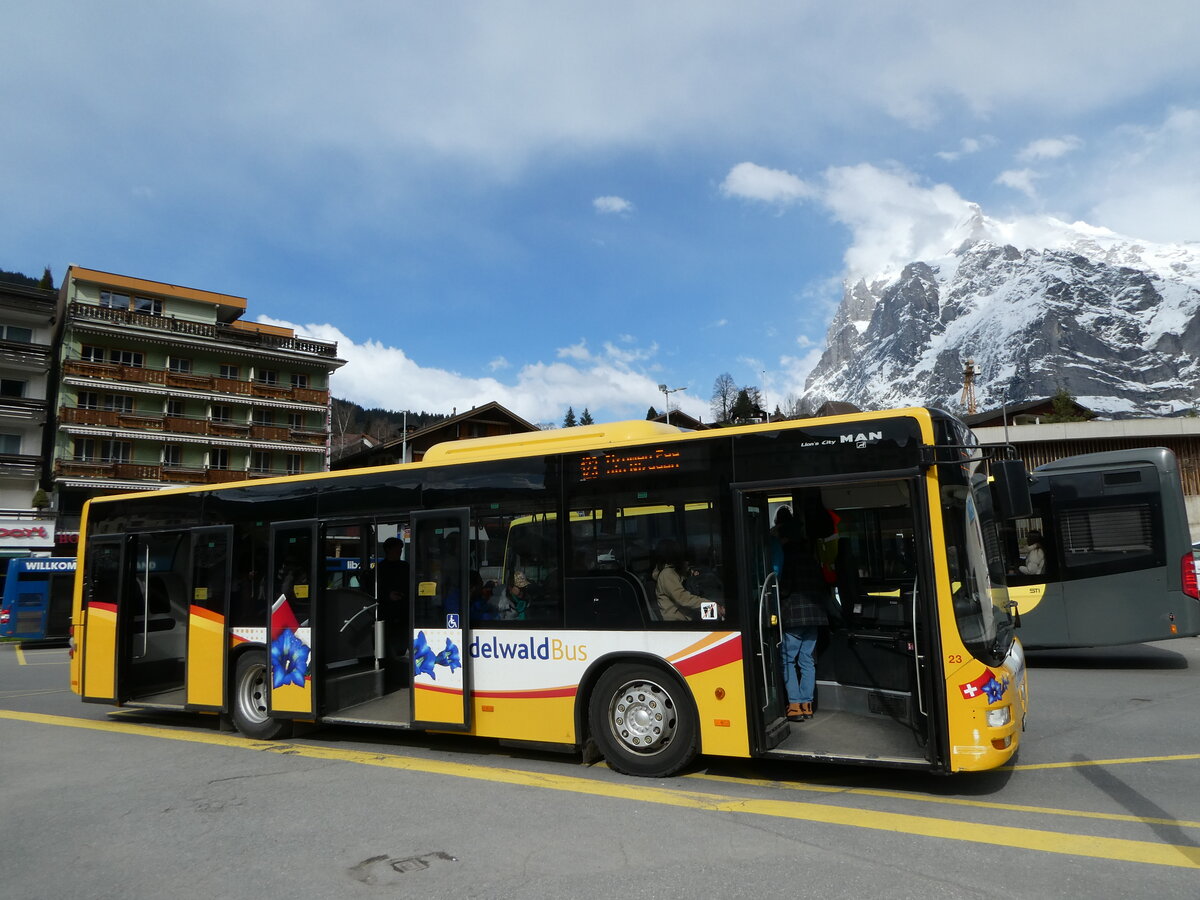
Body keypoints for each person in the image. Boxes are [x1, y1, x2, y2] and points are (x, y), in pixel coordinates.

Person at [774, 510, 828, 723]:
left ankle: (794, 706)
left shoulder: (787, 555)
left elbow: (785, 588)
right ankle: (807, 705)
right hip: (815, 615)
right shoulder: (809, 554)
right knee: (807, 661)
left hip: (794, 616)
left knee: (788, 660)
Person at [653, 539, 722, 621]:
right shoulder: (667, 574)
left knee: (715, 616)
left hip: (687, 616)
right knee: (718, 617)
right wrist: (714, 606)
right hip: (679, 622)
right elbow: (683, 599)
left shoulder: (671, 572)